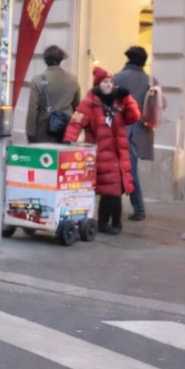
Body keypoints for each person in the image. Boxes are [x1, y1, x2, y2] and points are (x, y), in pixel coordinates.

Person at [64, 67, 142, 234]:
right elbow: (76, 122)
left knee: (114, 190)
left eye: (110, 82)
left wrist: (127, 98)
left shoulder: (118, 102)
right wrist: (69, 141)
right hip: (100, 154)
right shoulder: (89, 103)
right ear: (98, 85)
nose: (108, 85)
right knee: (111, 190)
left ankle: (109, 222)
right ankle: (111, 223)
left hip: (118, 154)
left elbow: (134, 116)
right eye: (105, 82)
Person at [112, 47, 157, 221]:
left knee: (129, 170)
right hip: (142, 131)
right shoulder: (152, 81)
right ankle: (133, 206)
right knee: (130, 168)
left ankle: (139, 208)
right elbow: (162, 104)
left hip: (123, 130)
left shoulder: (118, 78)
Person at [25, 45, 81, 143]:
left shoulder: (37, 80)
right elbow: (77, 106)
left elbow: (32, 111)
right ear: (61, 59)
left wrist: (31, 133)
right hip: (65, 129)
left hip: (43, 129)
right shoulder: (73, 80)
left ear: (46, 60)